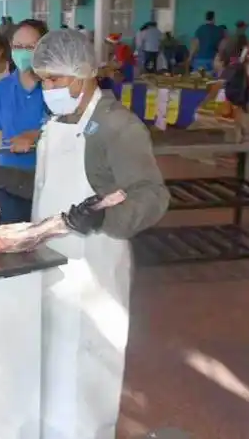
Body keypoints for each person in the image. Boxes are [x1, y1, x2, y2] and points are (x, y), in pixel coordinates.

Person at [29, 28, 169, 439]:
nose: (47, 88)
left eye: (54, 80)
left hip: (95, 267)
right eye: (43, 80)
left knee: (89, 366)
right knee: (54, 363)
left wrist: (103, 220)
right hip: (52, 260)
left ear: (83, 73)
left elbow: (153, 196)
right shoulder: (60, 120)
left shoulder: (117, 127)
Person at [0, 19, 49, 223]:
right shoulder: (1, 90)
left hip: (47, 180)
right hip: (9, 182)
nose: (23, 52)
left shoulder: (55, 89)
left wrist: (36, 136)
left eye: (31, 47)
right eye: (18, 47)